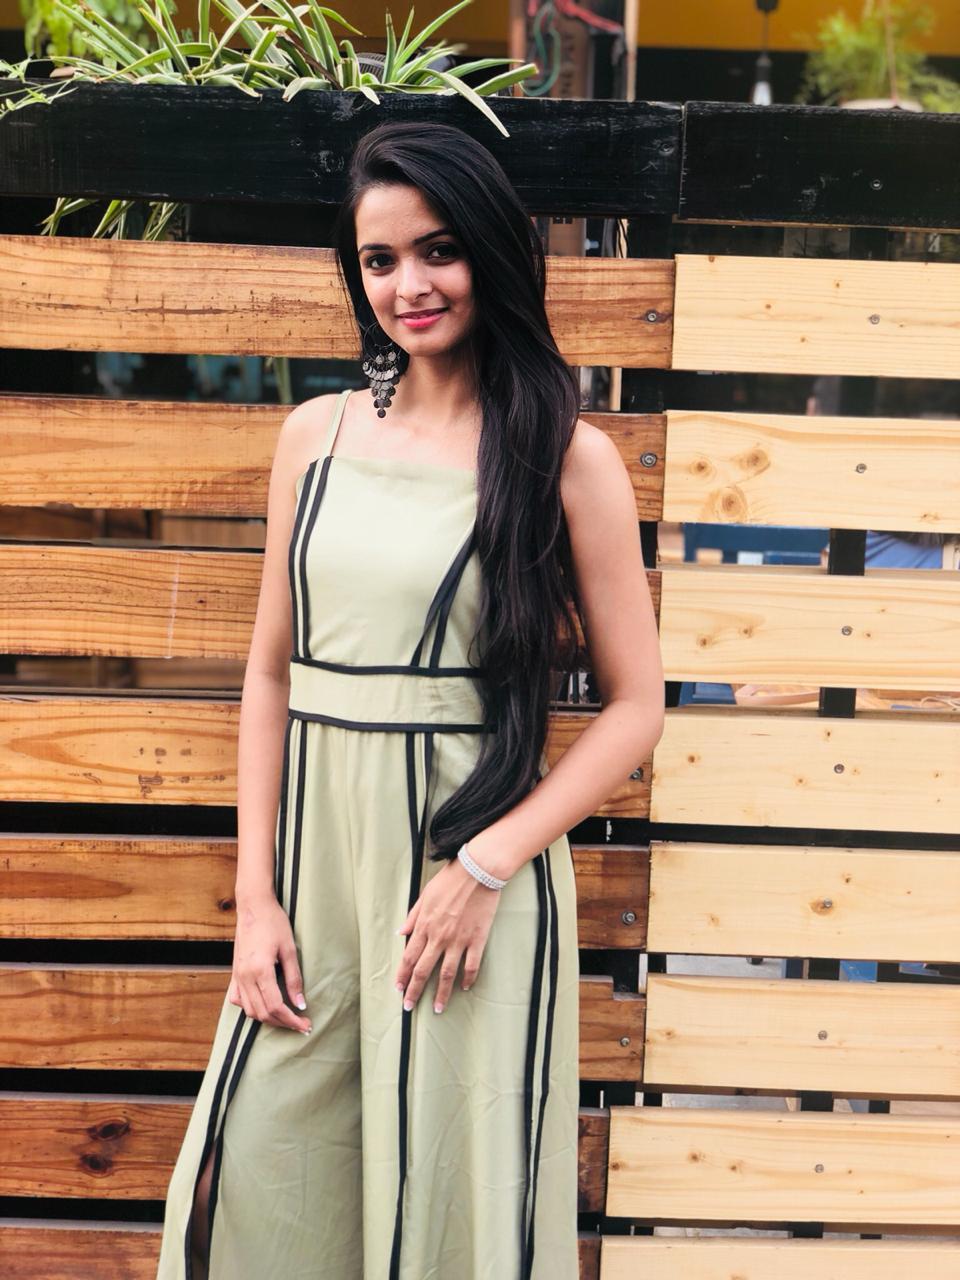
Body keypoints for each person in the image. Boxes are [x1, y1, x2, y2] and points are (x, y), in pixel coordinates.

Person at [156, 119, 664, 1280]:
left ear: (489, 249)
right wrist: (255, 898)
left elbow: (637, 706)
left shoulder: (566, 455)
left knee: (447, 1218)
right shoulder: (314, 436)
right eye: (380, 259)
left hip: (466, 894)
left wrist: (486, 866)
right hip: (315, 888)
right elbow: (272, 671)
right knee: (247, 1189)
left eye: (438, 250)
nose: (409, 285)